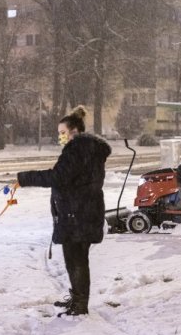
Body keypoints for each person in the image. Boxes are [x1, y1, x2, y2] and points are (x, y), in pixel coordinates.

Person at [16, 106, 111, 316]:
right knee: (77, 259)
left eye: (62, 132)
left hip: (76, 213)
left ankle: (79, 304)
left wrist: (25, 178)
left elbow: (57, 177)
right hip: (86, 210)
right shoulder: (89, 149)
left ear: (74, 131)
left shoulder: (76, 149)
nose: (60, 137)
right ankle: (77, 299)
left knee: (75, 260)